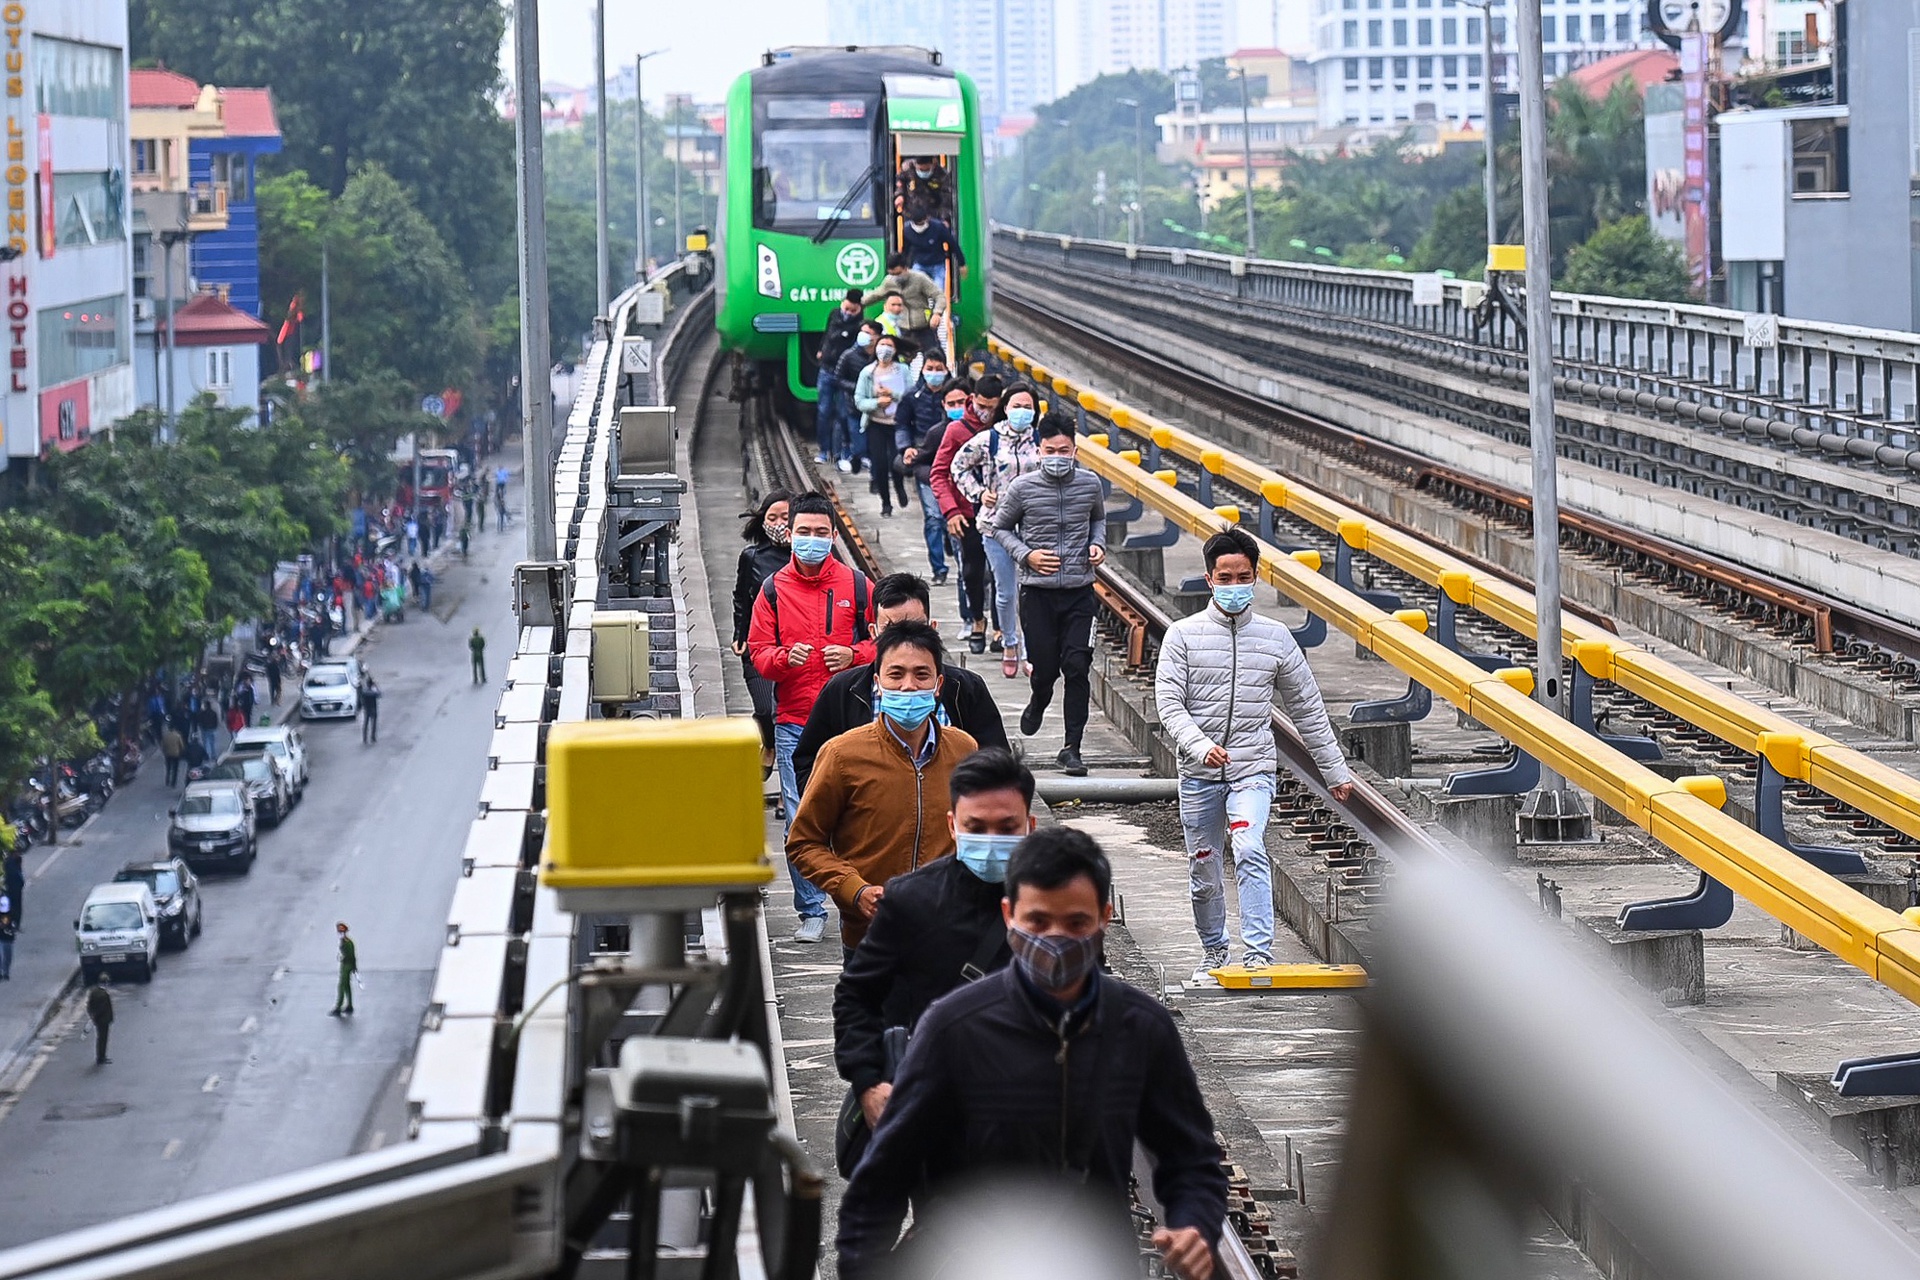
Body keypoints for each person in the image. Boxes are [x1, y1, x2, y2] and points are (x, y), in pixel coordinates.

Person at [836, 827, 1228, 1280]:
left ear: (1104, 917)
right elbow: (881, 1181)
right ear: (1009, 916)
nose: (1056, 938)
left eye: (1076, 923)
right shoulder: (955, 1027)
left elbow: (1191, 1158)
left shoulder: (1141, 1027)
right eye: (1038, 922)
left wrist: (1195, 1224)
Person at [1156, 528, 1357, 973]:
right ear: (1209, 579)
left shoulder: (1276, 637)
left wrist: (1335, 771)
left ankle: (1258, 953)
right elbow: (1168, 704)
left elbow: (1307, 707)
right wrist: (1199, 745)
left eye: (1242, 577)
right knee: (1203, 867)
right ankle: (1213, 949)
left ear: (1256, 576)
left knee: (1248, 845)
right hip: (1198, 773)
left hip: (1253, 770)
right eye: (1224, 578)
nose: (1233, 586)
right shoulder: (1182, 636)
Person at [834, 748, 1033, 1136]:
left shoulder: (1057, 902)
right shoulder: (912, 900)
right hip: (939, 1115)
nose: (991, 841)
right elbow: (857, 995)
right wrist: (868, 1083)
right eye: (975, 827)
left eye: (1007, 829)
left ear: (1031, 825)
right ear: (952, 826)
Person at [787, 620, 976, 952]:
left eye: (921, 675)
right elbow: (804, 843)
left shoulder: (964, 750)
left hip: (948, 937)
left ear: (938, 684)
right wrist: (854, 890)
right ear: (877, 682)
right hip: (870, 940)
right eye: (896, 674)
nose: (908, 687)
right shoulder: (842, 754)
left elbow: (980, 836)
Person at [747, 493, 877, 942]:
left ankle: (858, 897)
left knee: (860, 811)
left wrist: (855, 653)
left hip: (852, 719)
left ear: (834, 536)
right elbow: (759, 655)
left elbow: (885, 646)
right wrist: (786, 658)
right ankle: (810, 908)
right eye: (804, 532)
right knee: (800, 813)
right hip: (795, 718)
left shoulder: (858, 586)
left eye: (821, 533)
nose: (812, 540)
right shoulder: (772, 590)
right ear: (789, 534)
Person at [792, 572, 1008, 796]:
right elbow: (809, 762)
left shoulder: (965, 688)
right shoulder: (844, 690)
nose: (906, 640)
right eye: (892, 630)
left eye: (915, 628)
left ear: (932, 628)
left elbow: (997, 764)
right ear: (874, 632)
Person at [992, 414, 1108, 777]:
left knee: (1077, 667)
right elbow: (999, 527)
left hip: (1079, 592)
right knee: (1045, 669)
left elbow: (1098, 520)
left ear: (1075, 449)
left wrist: (1097, 544)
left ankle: (1072, 748)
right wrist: (1027, 555)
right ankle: (1038, 698)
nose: (1057, 456)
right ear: (1038, 450)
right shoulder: (1022, 488)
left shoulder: (1090, 484)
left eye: (1064, 450)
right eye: (1050, 450)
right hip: (1037, 594)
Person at [953, 381, 1043, 679]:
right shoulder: (988, 439)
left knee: (1030, 591)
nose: (1021, 412)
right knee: (1005, 591)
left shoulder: (1041, 440)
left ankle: (1031, 649)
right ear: (1005, 408)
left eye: (1027, 407)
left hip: (1033, 526)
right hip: (997, 525)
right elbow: (958, 467)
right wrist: (979, 493)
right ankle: (1009, 642)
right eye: (1016, 406)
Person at [930, 375, 1005, 655]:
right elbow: (939, 473)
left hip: (1001, 514)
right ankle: (977, 620)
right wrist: (950, 511)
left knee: (1001, 572)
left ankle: (1000, 627)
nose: (985, 411)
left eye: (992, 406)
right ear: (973, 399)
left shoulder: (1005, 430)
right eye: (982, 405)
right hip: (966, 514)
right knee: (972, 571)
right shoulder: (957, 430)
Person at [732, 490, 795, 774]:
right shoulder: (752, 557)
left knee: (791, 716)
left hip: (797, 648)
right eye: (773, 517)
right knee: (766, 709)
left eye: (786, 517)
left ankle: (787, 785)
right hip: (760, 646)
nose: (779, 524)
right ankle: (768, 743)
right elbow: (742, 597)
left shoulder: (809, 556)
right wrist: (740, 633)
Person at [893, 355, 955, 585]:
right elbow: (901, 425)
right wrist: (906, 447)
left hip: (954, 463)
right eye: (930, 368)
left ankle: (952, 545)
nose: (935, 373)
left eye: (939, 369)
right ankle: (939, 568)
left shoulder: (955, 395)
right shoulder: (912, 396)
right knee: (933, 517)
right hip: (925, 461)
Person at [852, 334, 913, 515]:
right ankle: (886, 502)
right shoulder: (867, 372)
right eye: (882, 344)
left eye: (889, 345)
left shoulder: (902, 370)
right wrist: (876, 403)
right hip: (876, 423)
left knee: (896, 461)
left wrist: (892, 394)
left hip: (897, 424)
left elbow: (910, 396)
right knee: (879, 463)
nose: (884, 349)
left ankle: (900, 486)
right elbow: (859, 400)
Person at [815, 289, 868, 463]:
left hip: (845, 373)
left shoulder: (860, 324)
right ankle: (824, 450)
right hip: (827, 369)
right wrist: (822, 350)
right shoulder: (834, 314)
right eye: (847, 308)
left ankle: (844, 450)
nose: (848, 313)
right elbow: (828, 335)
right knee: (824, 411)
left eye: (853, 311)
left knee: (844, 414)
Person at [832, 320, 883, 475]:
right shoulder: (849, 355)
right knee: (851, 430)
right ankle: (846, 456)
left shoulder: (880, 356)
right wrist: (858, 388)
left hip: (875, 404)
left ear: (876, 337)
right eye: (863, 331)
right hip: (852, 403)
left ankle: (866, 457)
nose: (863, 335)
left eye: (868, 333)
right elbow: (838, 378)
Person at [861, 255, 941, 335]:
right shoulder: (889, 281)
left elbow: (939, 295)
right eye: (892, 274)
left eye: (898, 273)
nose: (896, 277)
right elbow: (875, 295)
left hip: (923, 327)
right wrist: (857, 303)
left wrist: (937, 313)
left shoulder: (920, 278)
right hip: (902, 329)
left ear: (905, 268)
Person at [901, 197, 966, 291]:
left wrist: (961, 263)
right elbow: (905, 250)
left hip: (938, 264)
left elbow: (952, 244)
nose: (921, 225)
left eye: (922, 222)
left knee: (938, 291)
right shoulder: (907, 231)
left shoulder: (938, 227)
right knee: (915, 291)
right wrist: (903, 266)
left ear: (927, 218)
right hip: (919, 264)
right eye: (918, 223)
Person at [331, 921, 358, 1016]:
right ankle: (349, 1005)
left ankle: (338, 1007)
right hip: (346, 965)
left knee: (342, 986)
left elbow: (351, 955)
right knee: (347, 986)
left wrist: (353, 966)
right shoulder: (345, 941)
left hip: (347, 965)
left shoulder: (347, 942)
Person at [87, 976, 113, 1065]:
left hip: (97, 1020)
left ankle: (100, 1056)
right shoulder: (104, 995)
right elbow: (104, 1008)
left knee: (99, 1037)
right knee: (103, 1038)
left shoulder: (93, 992)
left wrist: (92, 1015)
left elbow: (89, 1005)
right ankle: (101, 1057)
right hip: (103, 1020)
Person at [360, 675, 381, 744]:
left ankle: (365, 738)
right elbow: (379, 694)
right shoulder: (373, 692)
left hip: (366, 709)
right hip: (373, 709)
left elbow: (361, 698)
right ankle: (373, 737)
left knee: (365, 724)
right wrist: (376, 686)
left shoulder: (364, 691)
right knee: (373, 724)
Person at [0, 892, 13, 980]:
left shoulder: (4, 899)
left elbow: (6, 916)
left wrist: (4, 923)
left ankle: (5, 972)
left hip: (5, 932)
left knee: (7, 953)